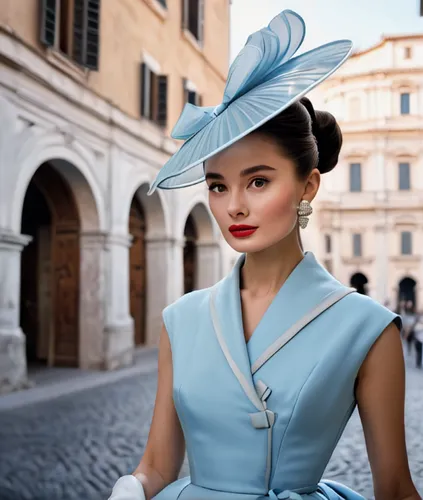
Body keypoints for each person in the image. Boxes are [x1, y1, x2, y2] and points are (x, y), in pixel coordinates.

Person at [108, 10, 420, 500]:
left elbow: (396, 489)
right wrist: (130, 488)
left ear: (308, 185)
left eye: (258, 181)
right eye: (217, 185)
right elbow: (157, 465)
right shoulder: (181, 320)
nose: (233, 205)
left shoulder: (368, 329)